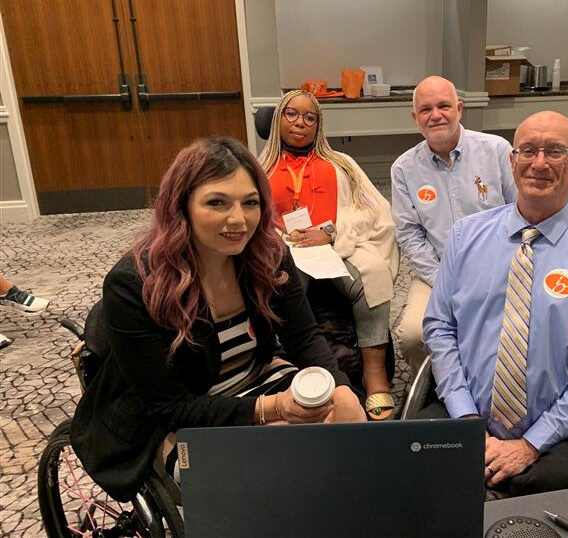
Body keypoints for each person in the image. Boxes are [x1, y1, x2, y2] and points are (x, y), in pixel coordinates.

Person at [71, 137, 366, 502]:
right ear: (182, 207)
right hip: (179, 411)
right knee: (271, 485)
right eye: (217, 203)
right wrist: (272, 409)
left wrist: (340, 388)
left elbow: (304, 336)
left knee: (350, 447)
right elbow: (170, 406)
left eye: (251, 203)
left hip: (254, 375)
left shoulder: (268, 254)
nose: (238, 220)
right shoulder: (133, 283)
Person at [424, 111, 568, 498]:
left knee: (543, 490)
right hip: (467, 409)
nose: (539, 163)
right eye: (528, 150)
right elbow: (440, 328)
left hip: (557, 428)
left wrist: (531, 443)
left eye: (555, 151)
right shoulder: (466, 237)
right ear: (512, 161)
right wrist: (467, 421)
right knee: (412, 459)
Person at [258, 90, 399, 420]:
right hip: (284, 249)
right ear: (278, 118)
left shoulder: (341, 164)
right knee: (287, 281)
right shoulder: (259, 167)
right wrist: (281, 240)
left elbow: (374, 212)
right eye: (292, 114)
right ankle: (296, 372)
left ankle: (375, 373)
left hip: (338, 246)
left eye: (310, 117)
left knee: (375, 270)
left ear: (318, 125)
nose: (300, 123)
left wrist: (332, 232)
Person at [391, 75, 517, 375]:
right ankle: (431, 390)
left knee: (515, 331)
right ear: (415, 118)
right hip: (438, 272)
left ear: (459, 108)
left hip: (500, 270)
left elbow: (522, 213)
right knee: (412, 336)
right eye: (425, 109)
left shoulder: (497, 150)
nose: (435, 115)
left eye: (444, 106)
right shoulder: (403, 169)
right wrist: (442, 280)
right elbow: (409, 234)